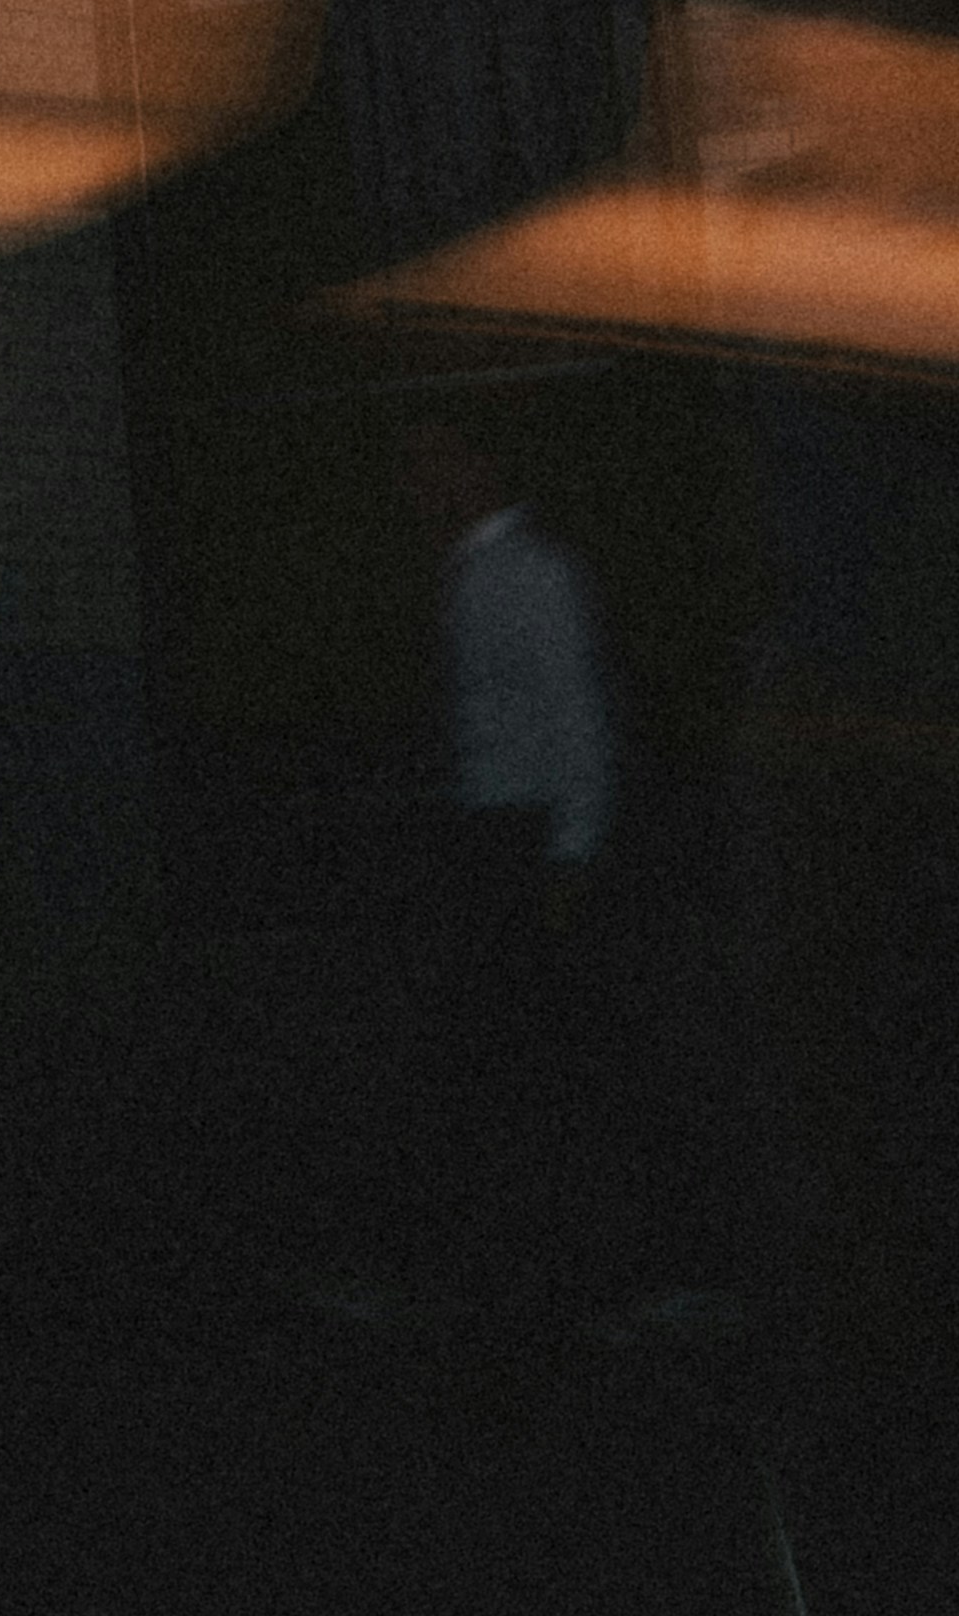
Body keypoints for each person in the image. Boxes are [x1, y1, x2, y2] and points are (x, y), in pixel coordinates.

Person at [388, 416, 636, 1325]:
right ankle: (524, 1265)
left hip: (518, 841)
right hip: (493, 839)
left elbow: (576, 722)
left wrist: (570, 853)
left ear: (476, 467)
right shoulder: (474, 573)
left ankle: (558, 1275)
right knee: (501, 1060)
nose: (412, 489)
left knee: (525, 1060)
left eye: (428, 464)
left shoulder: (525, 572)